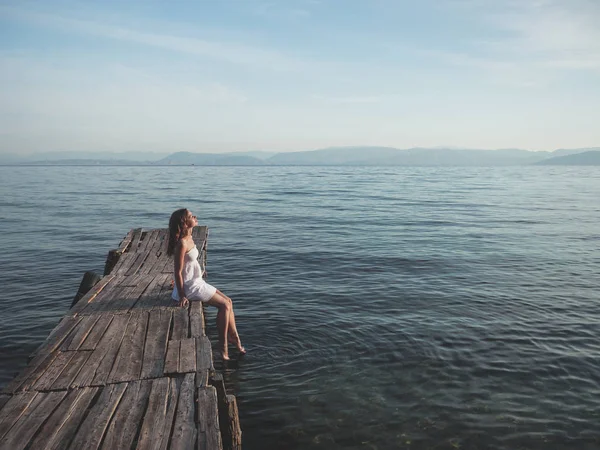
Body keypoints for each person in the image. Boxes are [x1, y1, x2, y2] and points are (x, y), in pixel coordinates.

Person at [167, 208, 245, 360]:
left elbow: (191, 262)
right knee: (224, 306)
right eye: (191, 216)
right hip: (190, 287)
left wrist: (200, 271)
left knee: (229, 301)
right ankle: (223, 348)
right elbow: (178, 272)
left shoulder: (190, 237)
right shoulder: (182, 244)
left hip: (196, 281)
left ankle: (234, 337)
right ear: (184, 224)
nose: (194, 216)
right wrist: (182, 295)